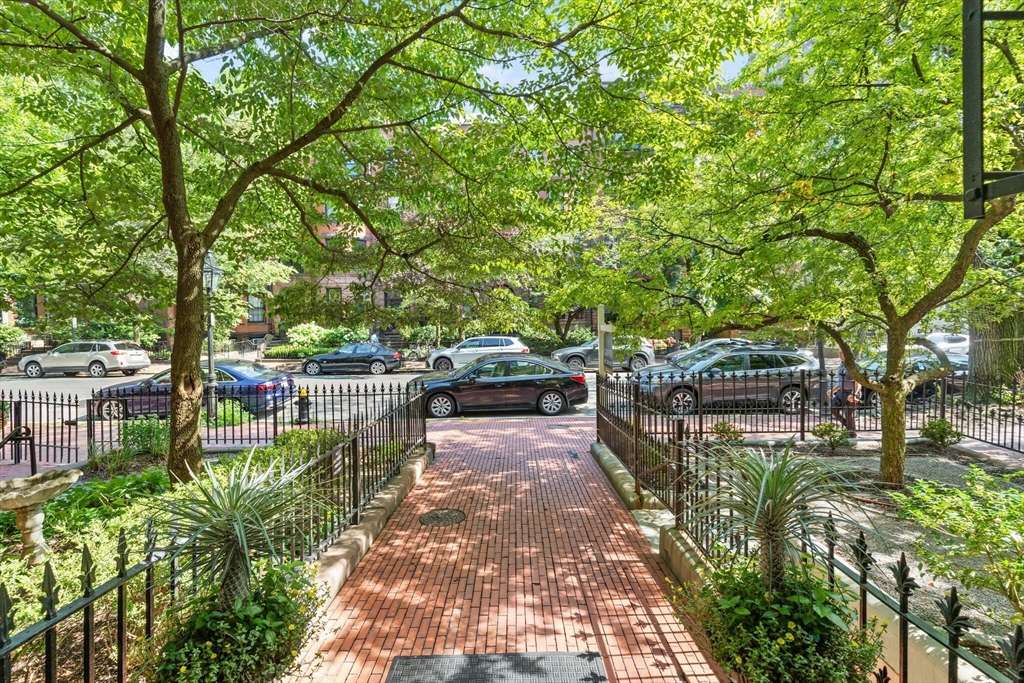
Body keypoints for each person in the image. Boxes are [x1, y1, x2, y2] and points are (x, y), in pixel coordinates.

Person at [829, 350, 860, 437]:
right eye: (838, 352)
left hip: (851, 392)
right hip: (841, 392)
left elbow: (858, 381)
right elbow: (841, 381)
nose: (839, 354)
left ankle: (851, 433)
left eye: (841, 352)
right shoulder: (842, 364)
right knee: (833, 409)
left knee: (848, 413)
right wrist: (833, 390)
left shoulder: (853, 366)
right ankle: (849, 427)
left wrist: (854, 394)